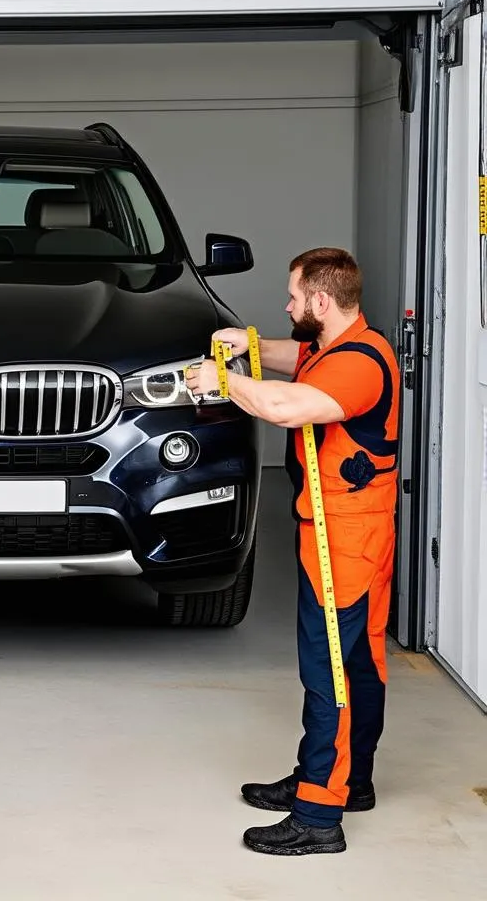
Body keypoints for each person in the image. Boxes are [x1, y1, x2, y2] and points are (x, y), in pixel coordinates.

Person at [185, 247, 400, 857]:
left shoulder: (358, 367)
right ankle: (347, 780)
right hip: (350, 527)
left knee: (328, 668)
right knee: (359, 662)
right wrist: (247, 341)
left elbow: (286, 405)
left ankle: (318, 814)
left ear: (322, 302)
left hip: (347, 537)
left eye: (294, 297)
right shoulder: (342, 343)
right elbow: (294, 356)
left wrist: (223, 381)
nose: (287, 306)